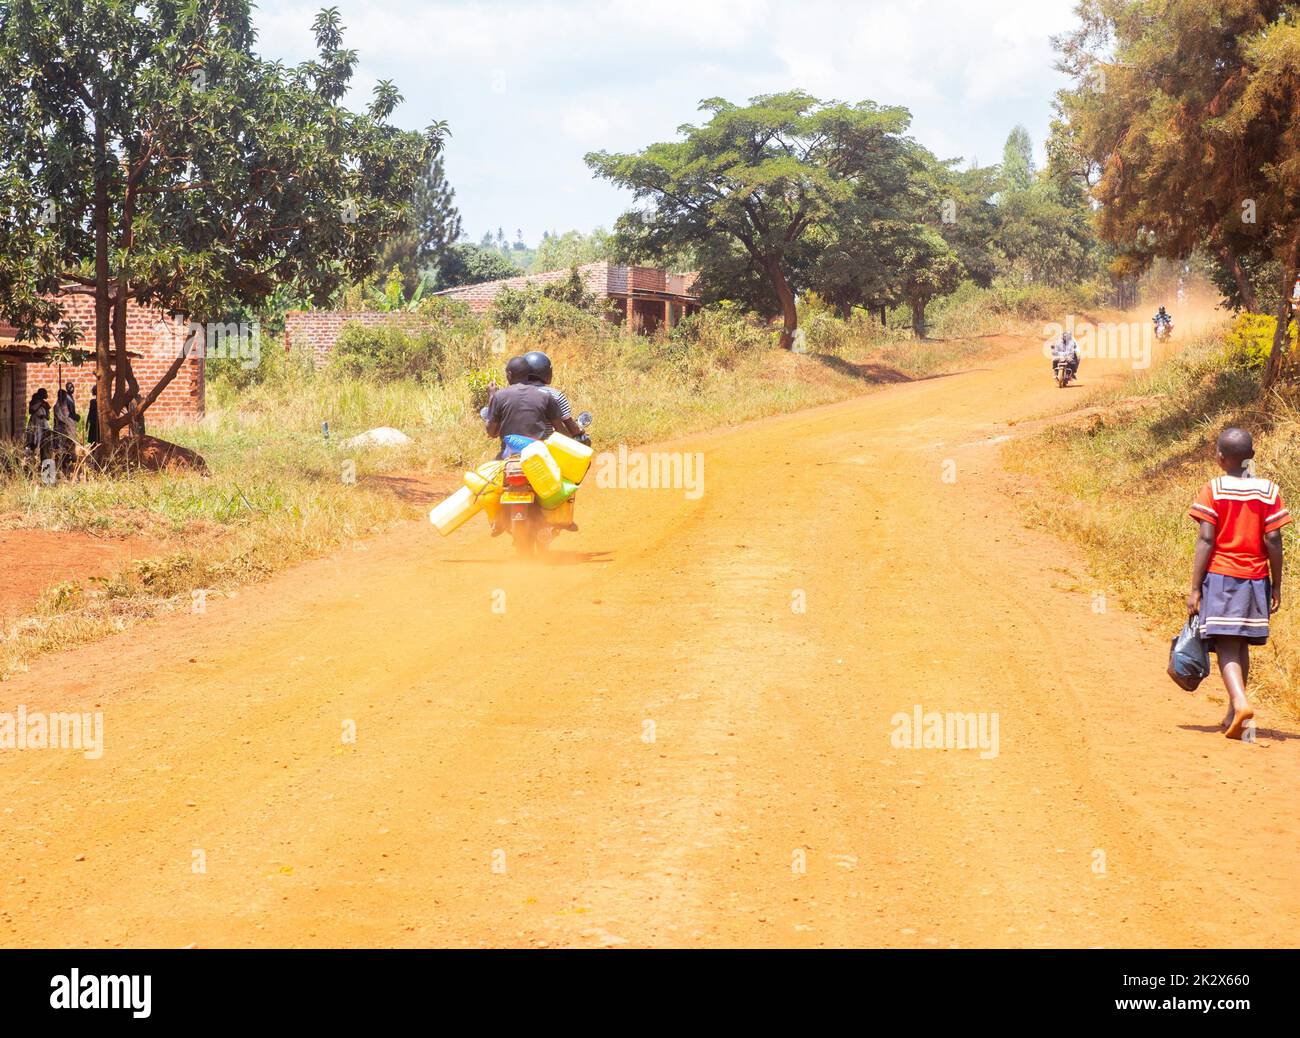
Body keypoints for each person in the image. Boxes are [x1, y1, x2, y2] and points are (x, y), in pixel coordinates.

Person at [1187, 428, 1290, 739]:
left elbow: (1206, 539)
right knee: (1240, 641)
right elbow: (1273, 538)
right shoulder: (1268, 491)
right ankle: (1234, 711)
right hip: (1256, 578)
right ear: (1252, 457)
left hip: (1222, 576)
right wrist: (1276, 584)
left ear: (1220, 458)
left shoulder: (1214, 490)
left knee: (1226, 644)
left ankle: (1241, 703)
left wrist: (1194, 588)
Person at [520, 350, 589, 443]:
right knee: (582, 440)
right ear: (547, 371)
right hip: (545, 447)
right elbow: (570, 427)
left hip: (515, 444)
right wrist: (579, 432)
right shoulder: (555, 395)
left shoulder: (512, 394)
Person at [25, 388, 51, 463]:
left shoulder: (45, 404)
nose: (47, 395)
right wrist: (40, 404)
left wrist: (44, 415)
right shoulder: (34, 402)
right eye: (45, 393)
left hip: (43, 424)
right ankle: (30, 460)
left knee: (43, 441)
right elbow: (31, 411)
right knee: (32, 441)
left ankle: (43, 459)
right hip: (35, 423)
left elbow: (48, 417)